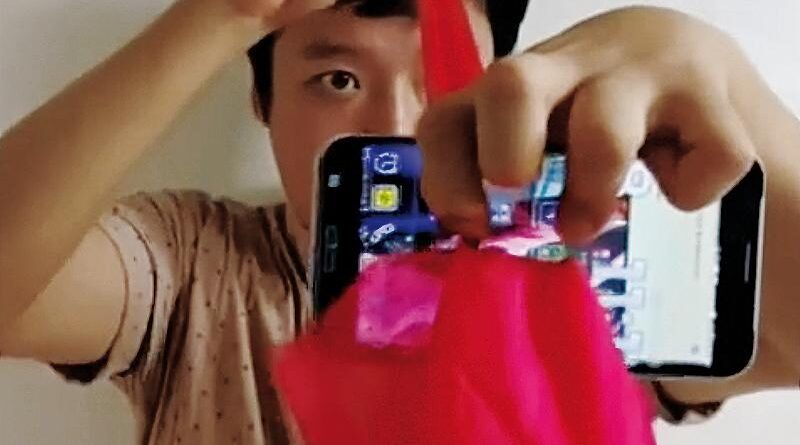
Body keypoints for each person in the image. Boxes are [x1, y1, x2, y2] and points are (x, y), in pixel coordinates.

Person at [0, 0, 798, 442]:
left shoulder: (572, 258)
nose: (394, 125)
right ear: (262, 102)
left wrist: (722, 75)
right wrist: (226, 13)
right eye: (338, 80)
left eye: (437, 77)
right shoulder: (193, 264)